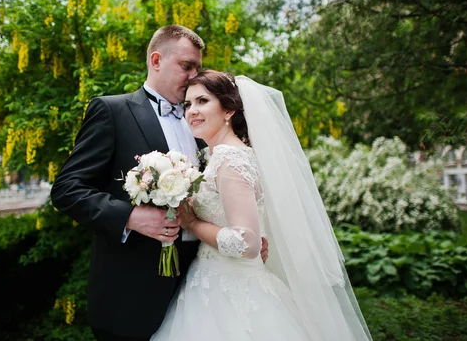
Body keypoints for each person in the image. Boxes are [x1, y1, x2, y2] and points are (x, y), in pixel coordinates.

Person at [151, 70, 372, 340]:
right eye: (188, 104)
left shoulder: (230, 159)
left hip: (231, 291)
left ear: (229, 110)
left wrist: (193, 223)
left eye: (202, 101)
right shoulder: (216, 155)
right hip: (212, 280)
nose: (192, 111)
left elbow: (245, 243)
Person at [50, 25, 206, 340]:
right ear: (157, 60)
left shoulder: (202, 119)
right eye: (186, 66)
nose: (194, 76)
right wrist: (129, 217)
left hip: (199, 284)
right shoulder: (112, 110)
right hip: (131, 290)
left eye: (198, 68)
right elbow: (67, 188)